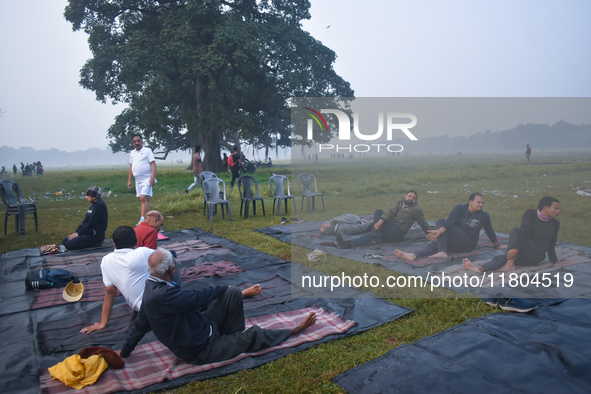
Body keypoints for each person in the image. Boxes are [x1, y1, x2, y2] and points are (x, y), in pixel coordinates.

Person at [120, 247, 316, 362]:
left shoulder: (150, 289)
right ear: (171, 268)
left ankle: (232, 336)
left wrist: (125, 351)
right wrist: (222, 286)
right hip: (200, 349)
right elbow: (196, 298)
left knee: (232, 293)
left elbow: (139, 326)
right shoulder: (163, 295)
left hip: (202, 329)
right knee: (253, 333)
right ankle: (292, 331)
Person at [81, 226, 154, 334]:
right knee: (169, 262)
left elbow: (110, 291)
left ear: (114, 244)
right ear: (136, 242)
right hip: (159, 304)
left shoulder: (106, 261)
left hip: (141, 308)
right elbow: (168, 258)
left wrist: (103, 322)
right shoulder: (143, 252)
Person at [395, 193, 504, 261]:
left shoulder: (484, 215)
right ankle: (414, 255)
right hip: (455, 241)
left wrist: (497, 245)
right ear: (470, 202)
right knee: (436, 244)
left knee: (442, 222)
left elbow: (489, 230)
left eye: (482, 203)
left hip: (468, 242)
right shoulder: (460, 208)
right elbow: (451, 221)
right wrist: (440, 232)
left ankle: (442, 251)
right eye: (478, 202)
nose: (481, 205)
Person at [464, 196, 560, 272]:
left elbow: (552, 244)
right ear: (545, 207)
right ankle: (480, 269)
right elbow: (525, 232)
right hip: (524, 251)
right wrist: (515, 250)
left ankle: (510, 263)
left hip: (536, 255)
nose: (558, 211)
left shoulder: (555, 223)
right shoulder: (531, 214)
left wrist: (555, 261)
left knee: (515, 231)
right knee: (501, 258)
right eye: (555, 208)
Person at [337, 191, 430, 248]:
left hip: (397, 232)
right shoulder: (399, 201)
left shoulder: (417, 210)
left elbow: (423, 223)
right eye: (409, 196)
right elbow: (390, 212)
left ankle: (376, 237)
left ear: (416, 201)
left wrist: (432, 233)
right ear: (405, 196)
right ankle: (347, 244)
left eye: (413, 198)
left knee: (378, 212)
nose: (411, 199)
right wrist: (381, 222)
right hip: (390, 228)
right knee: (370, 236)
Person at [63, 186, 108, 251]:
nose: (86, 198)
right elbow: (85, 221)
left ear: (94, 197)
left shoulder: (100, 206)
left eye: (88, 196)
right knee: (65, 240)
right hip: (87, 232)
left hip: (95, 235)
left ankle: (95, 243)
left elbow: (90, 223)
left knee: (68, 245)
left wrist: (79, 234)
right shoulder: (94, 205)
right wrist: (77, 232)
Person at [128, 134, 157, 226]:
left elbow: (153, 164)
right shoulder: (132, 153)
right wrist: (129, 180)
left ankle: (142, 219)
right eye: (135, 141)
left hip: (147, 179)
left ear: (142, 141)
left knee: (143, 198)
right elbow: (131, 166)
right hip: (138, 180)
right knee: (145, 199)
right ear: (133, 143)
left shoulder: (147, 151)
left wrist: (152, 177)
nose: (137, 143)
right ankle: (149, 219)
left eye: (138, 141)